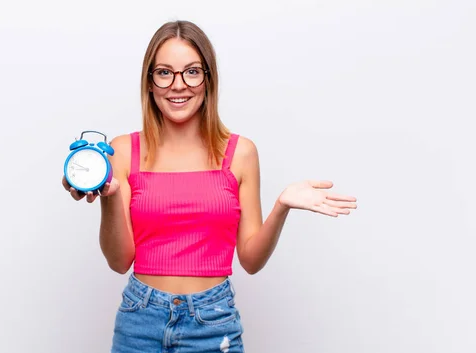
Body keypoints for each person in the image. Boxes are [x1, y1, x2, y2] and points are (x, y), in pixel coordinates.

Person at [62, 20, 357, 353]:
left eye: (191, 72)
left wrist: (282, 206)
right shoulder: (124, 152)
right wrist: (109, 196)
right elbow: (119, 261)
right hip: (140, 319)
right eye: (164, 73)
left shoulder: (240, 153)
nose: (178, 85)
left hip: (212, 321)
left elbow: (251, 260)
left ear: (208, 79)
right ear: (149, 82)